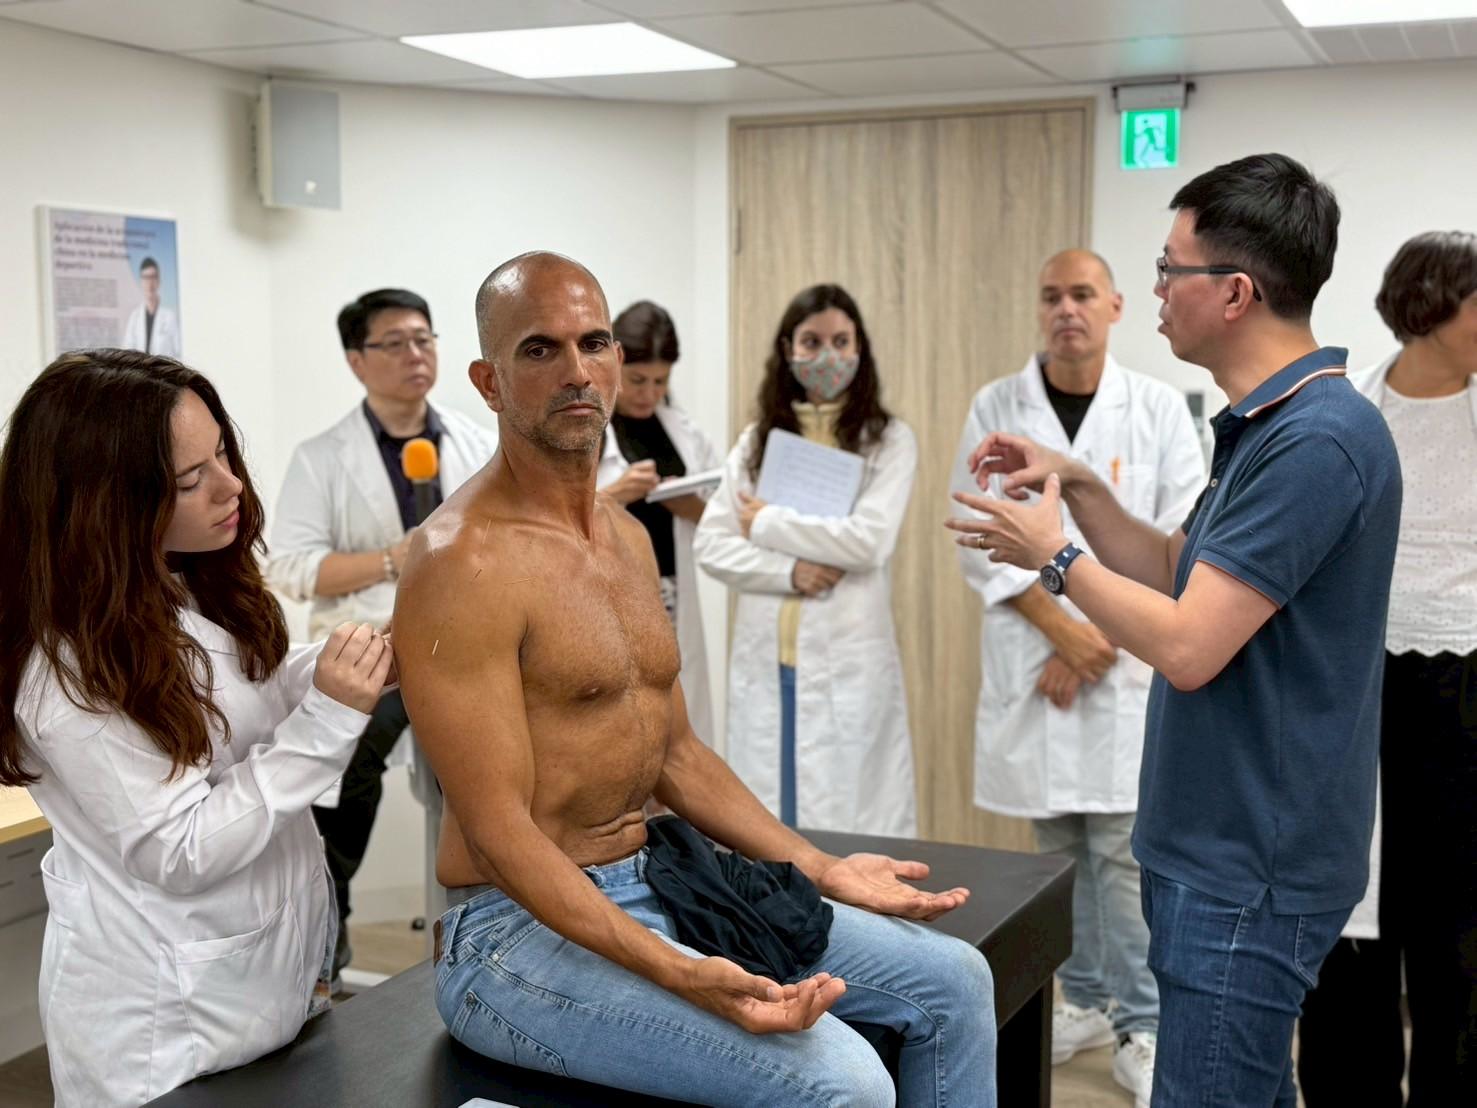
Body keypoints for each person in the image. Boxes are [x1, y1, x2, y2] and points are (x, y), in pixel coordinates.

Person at [393, 251, 996, 1107]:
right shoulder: (460, 563)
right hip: (511, 932)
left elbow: (674, 751)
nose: (575, 371)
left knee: (957, 982)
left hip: (655, 875)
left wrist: (818, 867)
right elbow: (496, 833)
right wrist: (679, 971)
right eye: (539, 350)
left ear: (617, 360)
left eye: (592, 343)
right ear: (489, 382)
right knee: (845, 1083)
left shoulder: (625, 539)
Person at [947, 153, 1402, 1106]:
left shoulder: (1316, 440)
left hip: (1249, 863)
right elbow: (1168, 566)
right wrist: (1078, 484)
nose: (1153, 289)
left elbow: (1190, 647)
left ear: (1233, 293)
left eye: (1168, 269)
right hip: (1213, 842)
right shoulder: (1264, 422)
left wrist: (1054, 557)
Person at [0, 349, 393, 1108]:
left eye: (221, 454)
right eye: (190, 479)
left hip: (263, 988)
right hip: (166, 1035)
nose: (231, 484)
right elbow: (179, 848)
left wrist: (344, 668)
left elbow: (238, 694)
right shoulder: (64, 670)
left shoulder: (178, 578)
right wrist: (328, 717)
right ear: (106, 504)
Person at [950, 249, 1204, 1105]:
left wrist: (1092, 639)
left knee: (1125, 857)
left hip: (1123, 660)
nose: (1066, 308)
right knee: (1057, 848)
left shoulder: (1158, 408)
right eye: (1052, 294)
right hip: (1042, 658)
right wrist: (1062, 632)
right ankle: (1087, 1000)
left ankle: (1143, 1021)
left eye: (1082, 294)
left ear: (1115, 306)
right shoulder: (996, 406)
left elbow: (1177, 543)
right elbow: (974, 531)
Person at [264, 288, 496, 981]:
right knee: (345, 780)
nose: (414, 355)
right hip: (373, 647)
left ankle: (488, 942)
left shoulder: (475, 441)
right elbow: (291, 566)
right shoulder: (321, 457)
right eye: (394, 343)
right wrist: (396, 559)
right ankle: (322, 953)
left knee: (488, 783)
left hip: (465, 642)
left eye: (424, 339)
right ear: (356, 361)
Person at [1298, 230, 1477, 1107]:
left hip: (1465, 697)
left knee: (1460, 941)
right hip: (1355, 693)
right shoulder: (1347, 414)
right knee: (1349, 925)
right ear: (1432, 304)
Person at [695, 284, 918, 836]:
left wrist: (766, 523)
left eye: (841, 342)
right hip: (768, 665)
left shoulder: (887, 441)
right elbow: (712, 544)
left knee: (846, 829)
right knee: (771, 827)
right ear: (788, 349)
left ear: (859, 348)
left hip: (847, 664)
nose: (827, 356)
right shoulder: (756, 442)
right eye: (812, 342)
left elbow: (868, 541)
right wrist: (789, 571)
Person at [596, 300, 722, 741]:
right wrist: (615, 495)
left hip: (672, 594)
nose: (649, 393)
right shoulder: (585, 429)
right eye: (637, 380)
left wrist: (692, 508)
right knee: (623, 725)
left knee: (679, 725)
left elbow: (726, 518)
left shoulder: (684, 431)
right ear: (614, 362)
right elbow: (550, 517)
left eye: (660, 381)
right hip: (609, 598)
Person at [121, 256, 182, 357]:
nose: (150, 283)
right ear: (141, 282)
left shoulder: (170, 317)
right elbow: (126, 351)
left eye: (153, 277)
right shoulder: (135, 317)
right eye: (146, 278)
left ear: (159, 280)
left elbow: (179, 352)